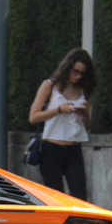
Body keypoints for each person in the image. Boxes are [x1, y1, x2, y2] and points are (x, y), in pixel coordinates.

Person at [28, 48, 96, 200]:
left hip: (74, 149)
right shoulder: (50, 85)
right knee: (54, 198)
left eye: (82, 73)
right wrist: (59, 110)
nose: (78, 76)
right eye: (75, 71)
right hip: (52, 149)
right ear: (67, 67)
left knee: (80, 197)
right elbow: (33, 117)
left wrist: (84, 114)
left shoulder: (85, 90)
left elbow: (86, 127)